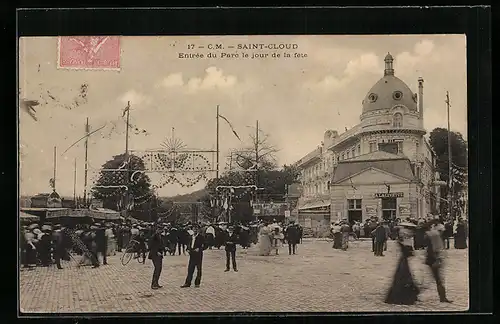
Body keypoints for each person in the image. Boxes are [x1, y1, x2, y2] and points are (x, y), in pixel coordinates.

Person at [385, 222, 420, 305]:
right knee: (404, 278)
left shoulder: (402, 237)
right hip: (404, 261)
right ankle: (404, 297)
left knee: (402, 278)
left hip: (403, 260)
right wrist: (411, 252)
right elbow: (408, 251)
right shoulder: (405, 238)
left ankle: (404, 296)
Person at [424, 220, 452, 303]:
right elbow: (436, 249)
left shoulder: (430, 234)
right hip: (434, 260)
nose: (443, 233)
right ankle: (443, 298)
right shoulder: (435, 235)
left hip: (431, 259)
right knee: (439, 279)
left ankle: (443, 297)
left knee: (436, 279)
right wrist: (439, 259)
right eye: (442, 231)